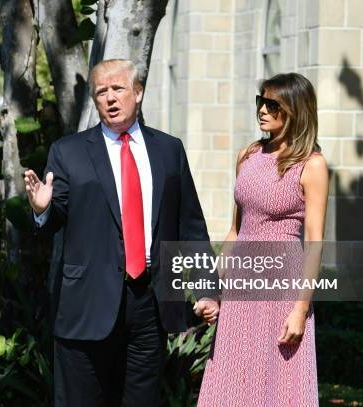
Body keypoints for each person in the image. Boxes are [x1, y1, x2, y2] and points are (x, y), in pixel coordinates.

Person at [24, 59, 219, 406]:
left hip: (150, 302)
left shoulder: (169, 150)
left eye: (118, 89)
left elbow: (190, 224)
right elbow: (55, 219)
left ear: (138, 92)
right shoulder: (68, 152)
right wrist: (43, 209)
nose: (110, 98)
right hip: (87, 303)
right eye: (102, 91)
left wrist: (206, 287)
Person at [197, 72, 328, 406]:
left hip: (281, 288)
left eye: (273, 105)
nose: (263, 110)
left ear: (296, 111)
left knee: (278, 384)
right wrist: (213, 291)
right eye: (261, 101)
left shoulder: (311, 166)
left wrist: (300, 310)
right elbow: (235, 231)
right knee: (231, 380)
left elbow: (314, 244)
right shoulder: (248, 156)